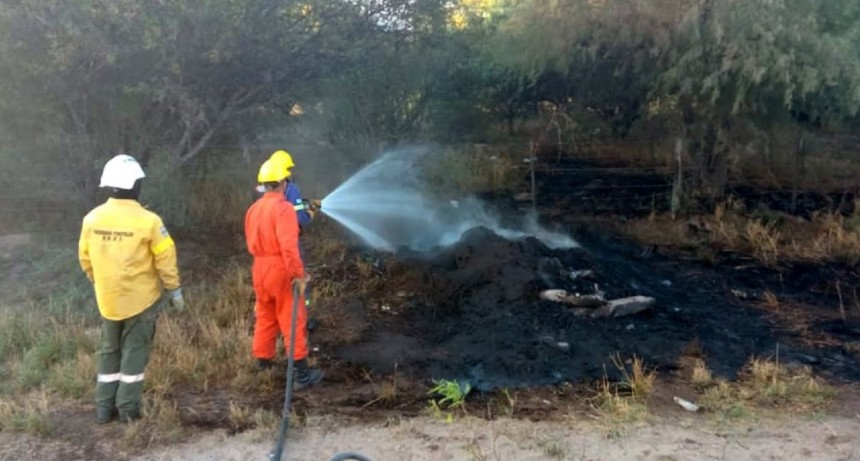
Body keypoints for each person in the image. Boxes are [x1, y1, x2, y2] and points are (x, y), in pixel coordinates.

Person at [78, 154, 184, 424]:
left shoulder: (91, 219)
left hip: (108, 300)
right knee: (135, 350)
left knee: (109, 350)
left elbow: (85, 259)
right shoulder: (149, 221)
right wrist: (174, 291)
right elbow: (165, 258)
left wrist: (100, 282)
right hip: (141, 300)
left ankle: (103, 409)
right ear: (137, 185)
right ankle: (127, 409)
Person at [245, 157, 323, 389]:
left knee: (266, 316)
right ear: (282, 182)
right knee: (292, 319)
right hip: (281, 268)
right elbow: (289, 248)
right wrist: (299, 275)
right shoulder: (284, 209)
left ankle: (263, 363)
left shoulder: (253, 209)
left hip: (259, 267)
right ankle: (301, 376)